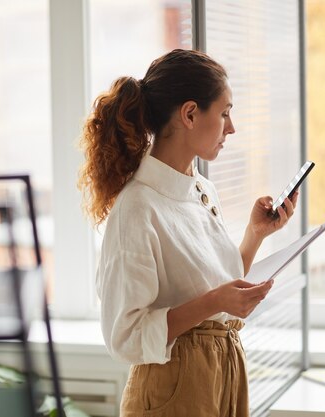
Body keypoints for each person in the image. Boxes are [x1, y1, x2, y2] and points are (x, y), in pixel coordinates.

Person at [78, 49, 298, 417]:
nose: (232, 127)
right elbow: (126, 337)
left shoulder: (201, 191)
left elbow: (221, 289)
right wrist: (215, 302)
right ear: (190, 113)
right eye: (225, 112)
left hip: (224, 372)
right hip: (175, 384)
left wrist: (255, 234)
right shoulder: (136, 208)